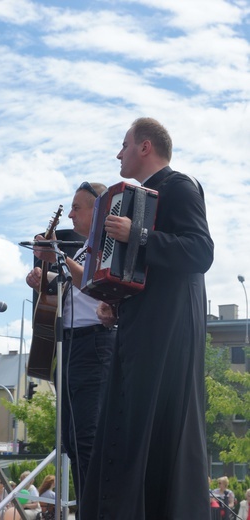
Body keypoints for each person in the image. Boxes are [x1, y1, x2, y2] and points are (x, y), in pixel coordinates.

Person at [80, 117, 214, 520]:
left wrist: (135, 235)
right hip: (144, 326)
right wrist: (115, 303)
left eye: (124, 145)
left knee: (156, 424)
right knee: (134, 423)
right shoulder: (145, 196)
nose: (118, 153)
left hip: (170, 329)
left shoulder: (180, 186)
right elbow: (145, 274)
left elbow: (200, 252)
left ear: (145, 147)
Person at [26, 182, 116, 510]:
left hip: (94, 344)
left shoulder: (108, 245)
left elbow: (93, 284)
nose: (72, 213)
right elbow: (69, 287)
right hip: (72, 347)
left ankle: (97, 510)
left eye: (78, 207)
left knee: (89, 437)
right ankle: (88, 510)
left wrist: (57, 256)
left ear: (99, 212)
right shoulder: (81, 250)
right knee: (74, 442)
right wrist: (42, 278)